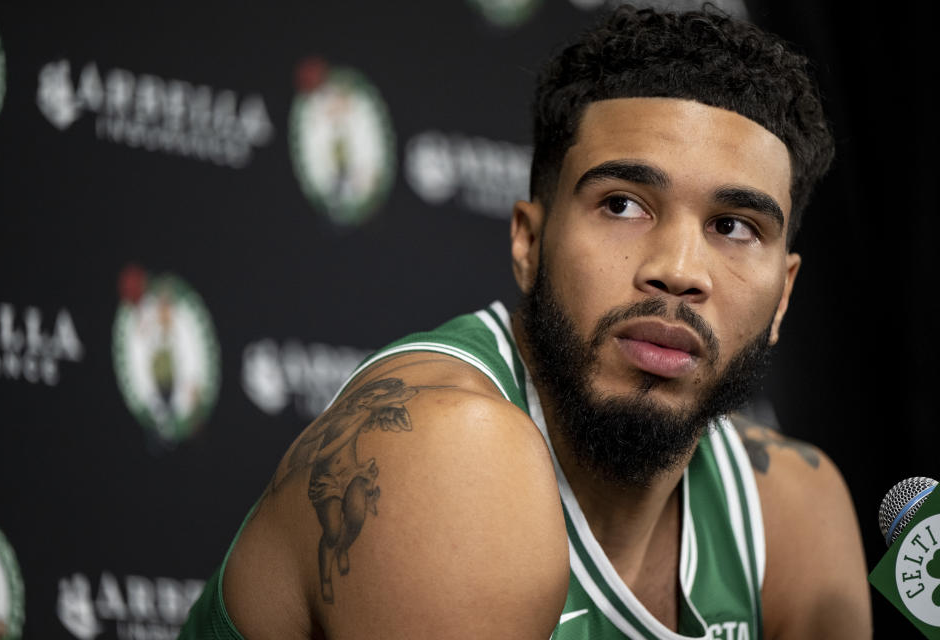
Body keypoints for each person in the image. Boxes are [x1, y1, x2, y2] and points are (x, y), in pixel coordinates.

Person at [180, 5, 872, 638]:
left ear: (783, 297)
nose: (678, 269)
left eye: (733, 225)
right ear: (528, 242)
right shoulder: (447, 454)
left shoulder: (793, 510)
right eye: (623, 205)